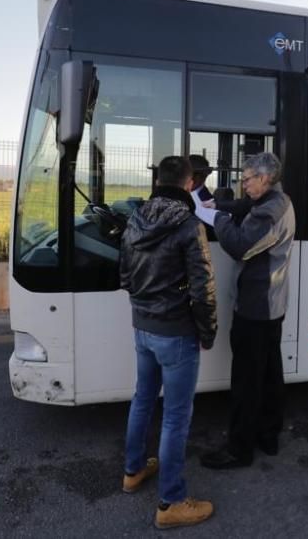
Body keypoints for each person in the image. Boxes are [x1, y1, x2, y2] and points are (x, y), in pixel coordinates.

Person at [119, 155, 218, 529]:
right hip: (176, 332)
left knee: (143, 398)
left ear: (158, 179)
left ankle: (133, 471)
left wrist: (144, 307)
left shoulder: (135, 217)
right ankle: (171, 503)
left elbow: (125, 275)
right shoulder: (189, 225)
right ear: (189, 184)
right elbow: (203, 287)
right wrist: (207, 331)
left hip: (142, 326)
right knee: (176, 417)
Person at [192, 152, 296, 469]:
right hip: (270, 304)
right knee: (268, 375)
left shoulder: (270, 212)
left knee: (247, 381)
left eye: (247, 179)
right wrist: (218, 206)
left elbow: (239, 244)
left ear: (264, 178)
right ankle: (268, 436)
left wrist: (217, 219)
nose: (242, 185)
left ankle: (239, 450)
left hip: (256, 306)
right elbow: (245, 206)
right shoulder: (276, 199)